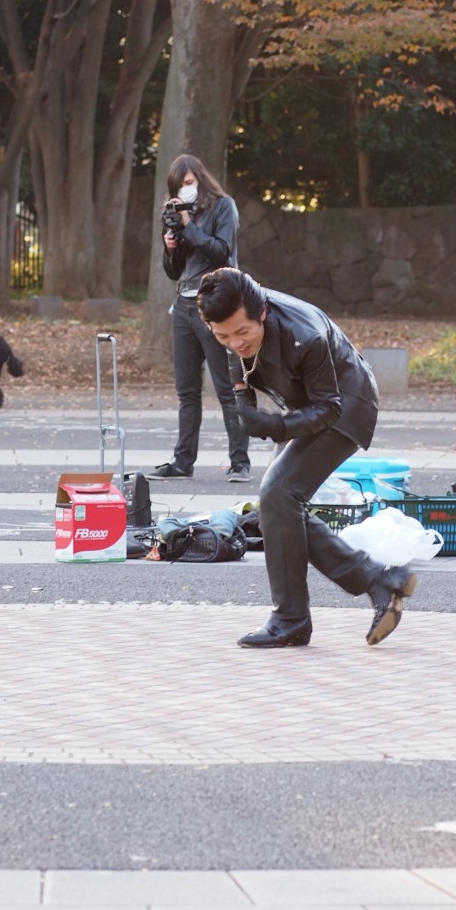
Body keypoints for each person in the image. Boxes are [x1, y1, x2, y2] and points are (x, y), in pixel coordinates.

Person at [196, 267, 417, 648]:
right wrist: (242, 403)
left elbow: (329, 408)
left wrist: (274, 425)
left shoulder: (305, 334)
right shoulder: (231, 322)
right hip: (306, 406)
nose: (235, 342)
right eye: (223, 336)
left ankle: (291, 618)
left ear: (261, 312)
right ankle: (378, 581)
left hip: (347, 404)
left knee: (279, 494)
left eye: (242, 332)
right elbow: (238, 367)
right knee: (278, 507)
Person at [156, 154, 251, 483]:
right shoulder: (177, 214)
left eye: (189, 184)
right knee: (187, 390)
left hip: (214, 304)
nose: (185, 191)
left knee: (226, 388)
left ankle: (240, 462)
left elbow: (221, 250)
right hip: (182, 305)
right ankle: (183, 461)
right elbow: (173, 271)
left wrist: (188, 227)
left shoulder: (224, 207)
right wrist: (170, 247)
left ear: (201, 179)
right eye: (179, 187)